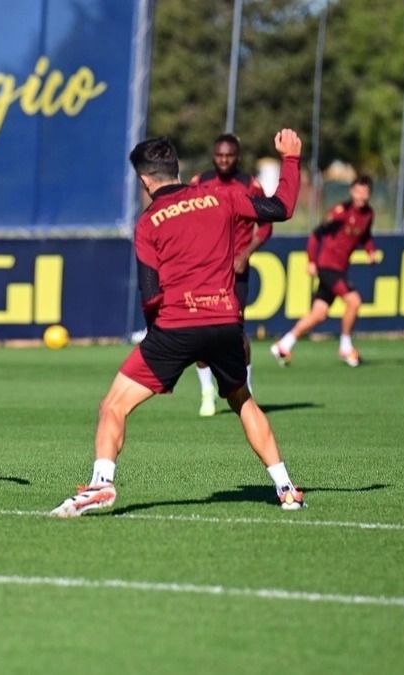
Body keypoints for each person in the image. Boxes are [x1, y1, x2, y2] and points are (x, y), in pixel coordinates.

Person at [49, 131, 307, 518]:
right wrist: (290, 159)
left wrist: (158, 347)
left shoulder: (149, 222)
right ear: (177, 169)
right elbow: (282, 207)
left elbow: (151, 294)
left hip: (175, 328)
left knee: (113, 406)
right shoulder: (222, 196)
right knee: (243, 400)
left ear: (144, 181)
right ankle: (286, 488)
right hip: (225, 322)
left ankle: (101, 483)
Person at [189, 133, 271, 416]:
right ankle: (207, 392)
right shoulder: (200, 183)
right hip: (205, 271)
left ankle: (245, 390)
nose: (224, 160)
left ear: (237, 156)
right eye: (220, 155)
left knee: (236, 333)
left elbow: (266, 226)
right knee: (199, 333)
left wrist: (245, 254)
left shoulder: (250, 185)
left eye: (229, 155)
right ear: (214, 155)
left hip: (235, 272)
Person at [270, 175, 377, 368]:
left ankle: (283, 345)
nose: (361, 196)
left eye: (365, 193)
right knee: (354, 301)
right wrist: (311, 260)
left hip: (341, 268)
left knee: (319, 313)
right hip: (327, 266)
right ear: (352, 191)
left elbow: (366, 236)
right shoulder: (341, 212)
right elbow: (316, 235)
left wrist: (370, 251)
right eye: (358, 191)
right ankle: (345, 347)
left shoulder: (368, 214)